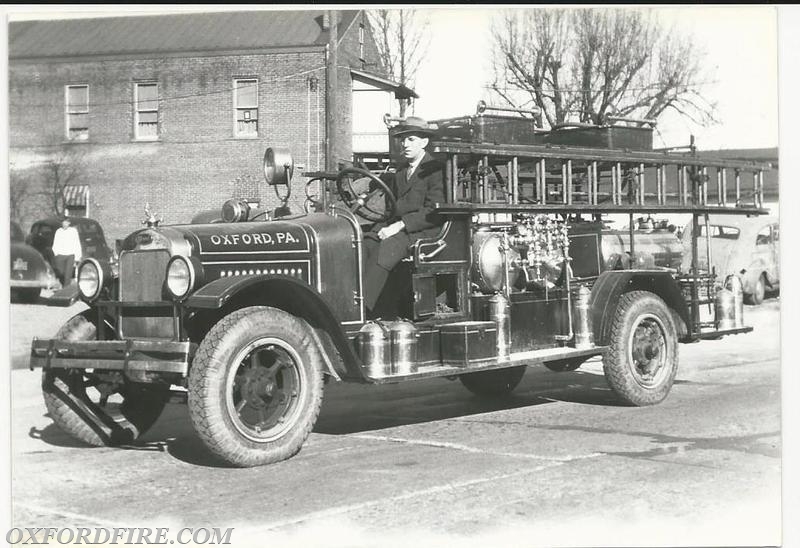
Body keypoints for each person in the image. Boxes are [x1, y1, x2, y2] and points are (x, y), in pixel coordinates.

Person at [362, 116, 445, 315]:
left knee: (387, 248)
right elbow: (393, 205)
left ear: (424, 142)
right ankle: (376, 305)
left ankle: (365, 310)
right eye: (403, 140)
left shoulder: (435, 170)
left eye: (411, 139)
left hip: (424, 231)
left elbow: (433, 212)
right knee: (366, 242)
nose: (405, 144)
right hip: (399, 226)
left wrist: (398, 226)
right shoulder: (401, 170)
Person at [52, 218, 82, 286]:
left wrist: (78, 256)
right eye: (63, 222)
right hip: (60, 255)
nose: (64, 224)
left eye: (66, 222)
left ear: (69, 223)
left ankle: (65, 289)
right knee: (60, 273)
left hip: (70, 255)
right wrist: (55, 253)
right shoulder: (58, 231)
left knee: (68, 274)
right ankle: (63, 284)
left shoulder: (73, 231)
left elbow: (77, 243)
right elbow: (55, 243)